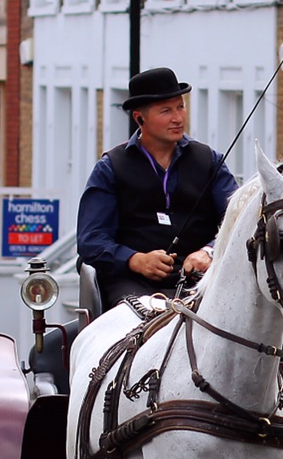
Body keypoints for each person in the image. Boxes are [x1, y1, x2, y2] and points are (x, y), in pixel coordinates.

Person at [76, 67, 238, 311]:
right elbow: (91, 240)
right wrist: (134, 260)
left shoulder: (209, 161)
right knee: (139, 321)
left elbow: (237, 219)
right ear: (140, 118)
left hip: (201, 282)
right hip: (132, 284)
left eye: (180, 107)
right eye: (166, 111)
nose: (178, 118)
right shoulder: (111, 168)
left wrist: (209, 252)